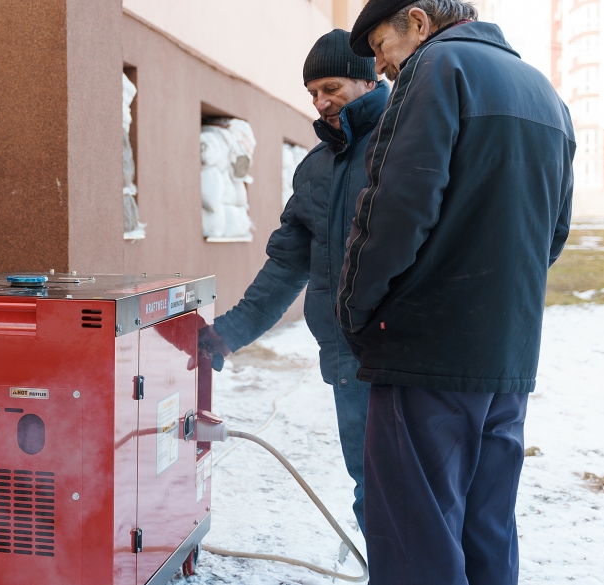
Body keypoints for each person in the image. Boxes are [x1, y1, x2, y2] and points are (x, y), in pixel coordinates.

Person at [338, 1, 575, 583]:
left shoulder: (437, 68)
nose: (383, 66)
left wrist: (355, 309)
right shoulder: (546, 93)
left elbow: (395, 211)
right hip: (508, 355)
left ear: (417, 22)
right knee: (487, 528)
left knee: (418, 537)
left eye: (381, 48)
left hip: (425, 353)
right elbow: (555, 232)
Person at [198, 29, 389, 534]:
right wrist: (229, 333)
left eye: (331, 87)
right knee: (371, 489)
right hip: (346, 358)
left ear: (369, 79)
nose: (321, 102)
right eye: (313, 94)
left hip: (403, 357)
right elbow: (286, 266)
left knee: (411, 494)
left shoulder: (403, 144)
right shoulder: (317, 168)